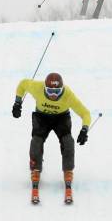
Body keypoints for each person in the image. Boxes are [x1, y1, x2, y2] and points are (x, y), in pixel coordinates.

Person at [12, 72, 91, 204]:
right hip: (42, 117)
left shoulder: (68, 95)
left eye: (57, 91)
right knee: (36, 142)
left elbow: (85, 113)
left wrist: (84, 130)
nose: (53, 95)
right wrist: (17, 103)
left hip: (61, 118)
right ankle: (35, 168)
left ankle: (68, 170)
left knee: (68, 142)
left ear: (62, 89)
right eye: (49, 91)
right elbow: (22, 84)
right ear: (44, 88)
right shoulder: (36, 87)